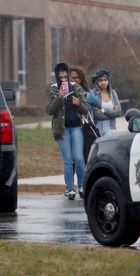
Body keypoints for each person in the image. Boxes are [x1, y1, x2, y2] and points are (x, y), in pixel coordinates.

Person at [46, 62, 89, 200]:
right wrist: (59, 97)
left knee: (79, 158)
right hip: (61, 129)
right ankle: (70, 189)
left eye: (65, 74)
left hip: (76, 127)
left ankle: (82, 186)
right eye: (61, 75)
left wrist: (78, 104)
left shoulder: (76, 87)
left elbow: (86, 109)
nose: (63, 77)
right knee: (68, 160)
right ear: (57, 76)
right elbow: (49, 110)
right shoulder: (53, 89)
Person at [87, 69, 123, 136]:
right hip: (97, 128)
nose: (103, 82)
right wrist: (112, 114)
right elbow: (96, 114)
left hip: (111, 128)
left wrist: (104, 110)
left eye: (105, 80)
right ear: (96, 82)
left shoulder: (113, 93)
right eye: (101, 80)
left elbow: (118, 112)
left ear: (108, 81)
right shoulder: (92, 94)